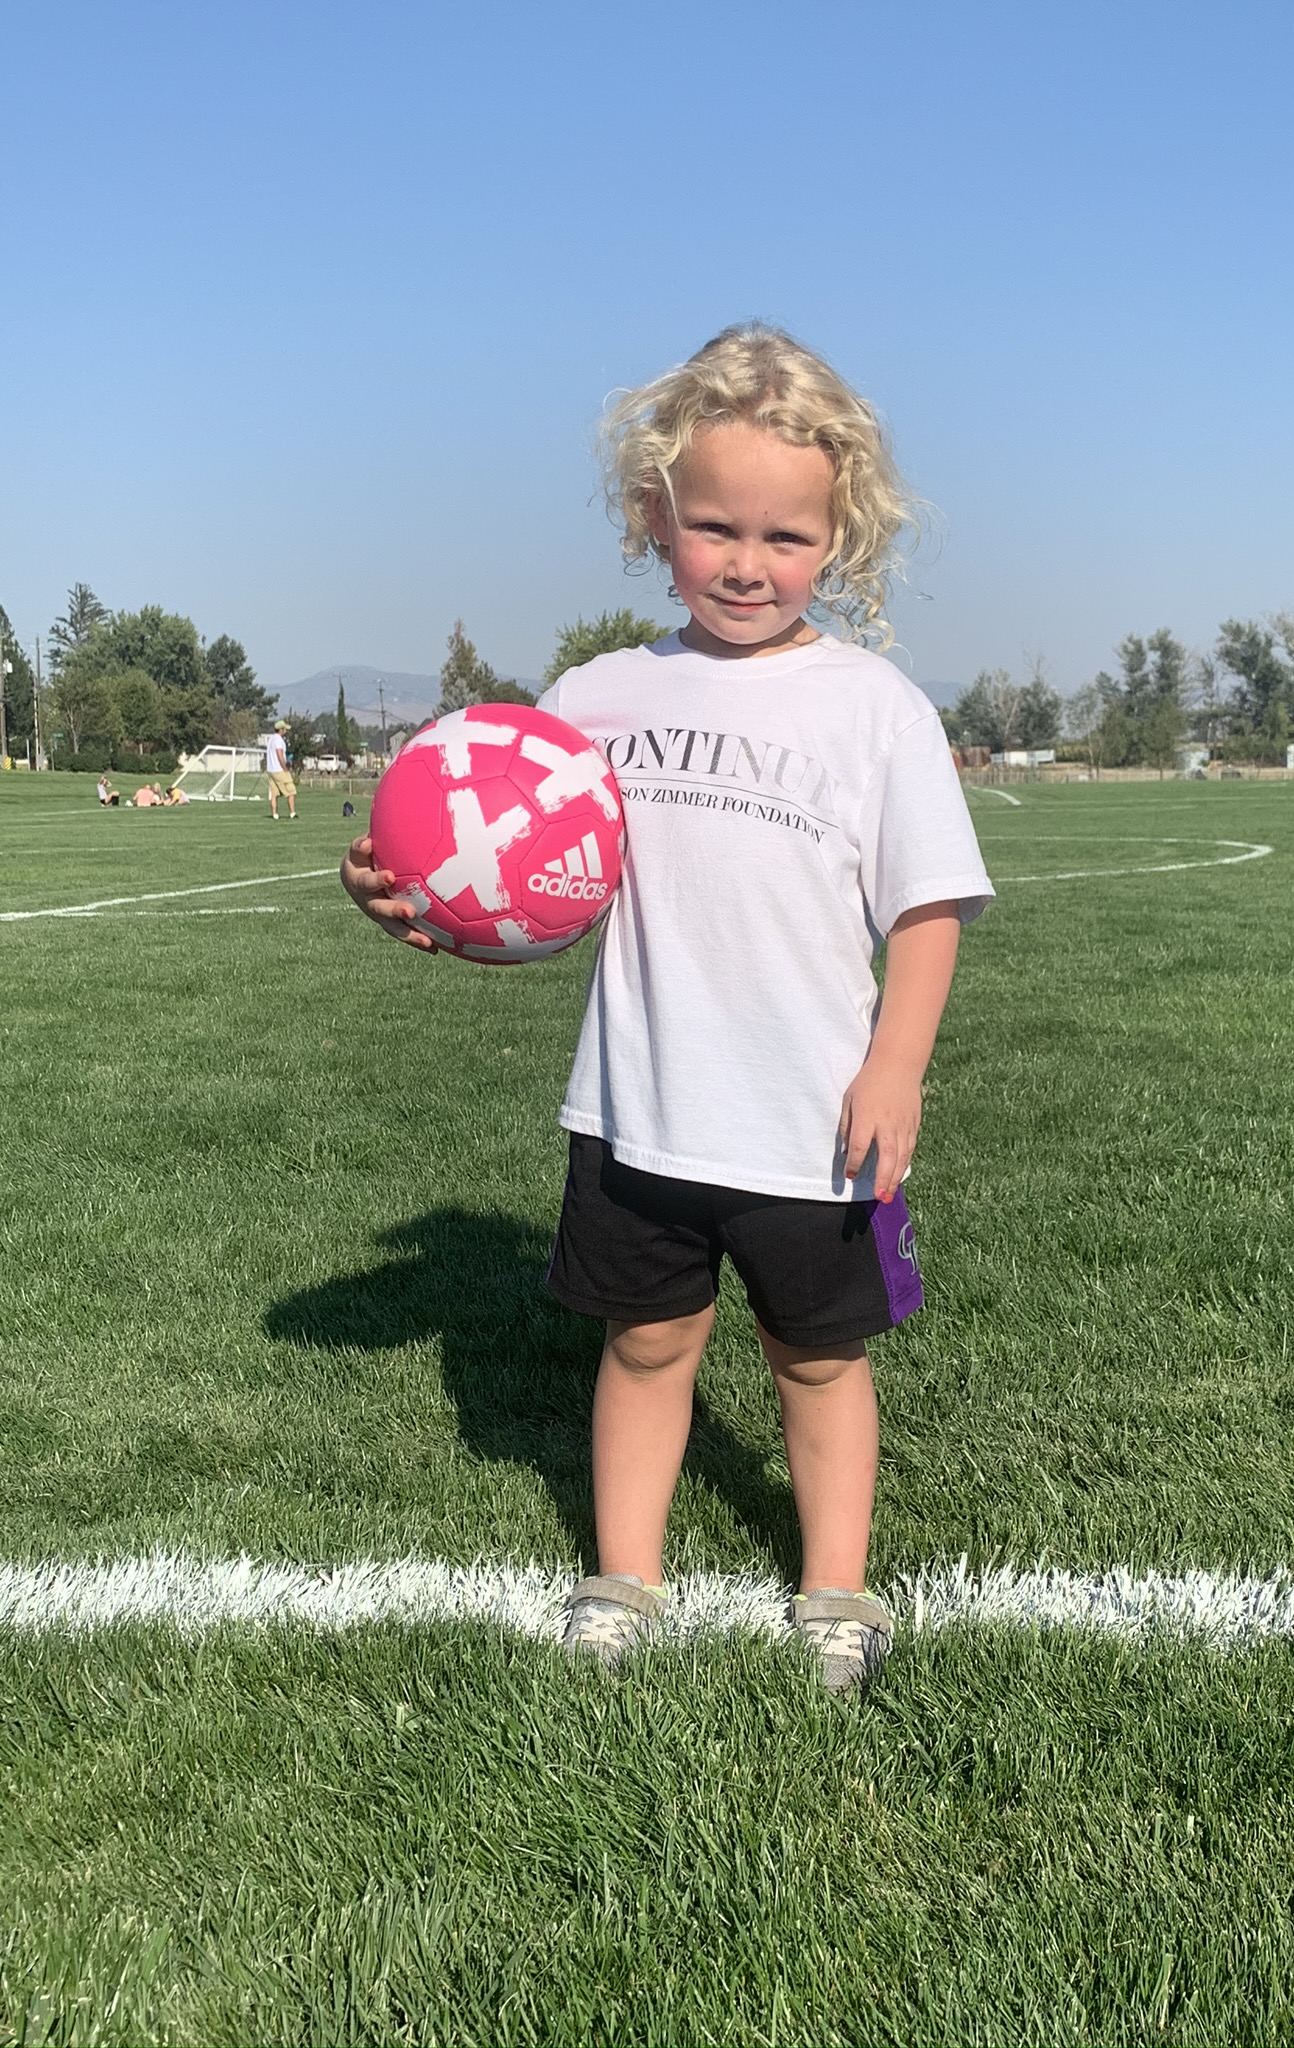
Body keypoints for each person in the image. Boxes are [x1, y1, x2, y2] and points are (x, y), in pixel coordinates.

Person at [340, 324, 993, 1691]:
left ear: (843, 541)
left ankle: (834, 1592)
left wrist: (899, 1068)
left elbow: (928, 905)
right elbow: (533, 891)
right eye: (713, 526)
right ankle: (623, 1582)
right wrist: (428, 910)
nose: (749, 563)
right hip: (639, 1113)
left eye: (788, 538)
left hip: (815, 1126)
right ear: (655, 518)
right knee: (645, 1347)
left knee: (818, 1361)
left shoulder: (871, 708)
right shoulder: (595, 701)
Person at [266, 721, 297, 820]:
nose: (286, 731)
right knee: (291, 790)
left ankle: (275, 814)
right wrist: (285, 768)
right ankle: (292, 812)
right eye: (285, 729)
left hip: (271, 770)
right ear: (281, 729)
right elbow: (279, 755)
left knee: (274, 793)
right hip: (278, 769)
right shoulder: (279, 740)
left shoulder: (271, 739)